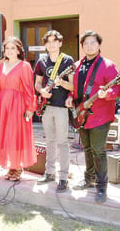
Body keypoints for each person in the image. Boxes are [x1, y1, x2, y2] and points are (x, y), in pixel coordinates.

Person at [65, 30, 120, 203]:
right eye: (86, 43)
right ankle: (89, 178)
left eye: (93, 42)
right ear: (82, 46)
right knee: (87, 149)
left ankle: (102, 187)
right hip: (82, 114)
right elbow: (76, 88)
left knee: (98, 150)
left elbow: (117, 90)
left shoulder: (108, 65)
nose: (89, 46)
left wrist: (108, 94)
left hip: (100, 115)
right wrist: (69, 98)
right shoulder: (78, 65)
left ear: (99, 45)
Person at [0, 37, 37, 182]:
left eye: (13, 48)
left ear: (18, 50)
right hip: (3, 104)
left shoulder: (24, 66)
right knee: (5, 135)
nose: (10, 51)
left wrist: (30, 107)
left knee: (16, 134)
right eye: (7, 48)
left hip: (18, 104)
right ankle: (11, 166)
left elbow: (29, 89)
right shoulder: (0, 67)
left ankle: (17, 167)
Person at [34, 30, 74, 192]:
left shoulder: (67, 61)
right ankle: (49, 172)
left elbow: (73, 86)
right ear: (45, 45)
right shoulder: (41, 61)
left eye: (54, 41)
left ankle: (63, 177)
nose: (51, 44)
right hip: (47, 106)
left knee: (62, 142)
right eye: (48, 41)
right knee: (49, 141)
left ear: (60, 43)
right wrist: (41, 91)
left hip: (61, 107)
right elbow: (37, 83)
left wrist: (62, 83)